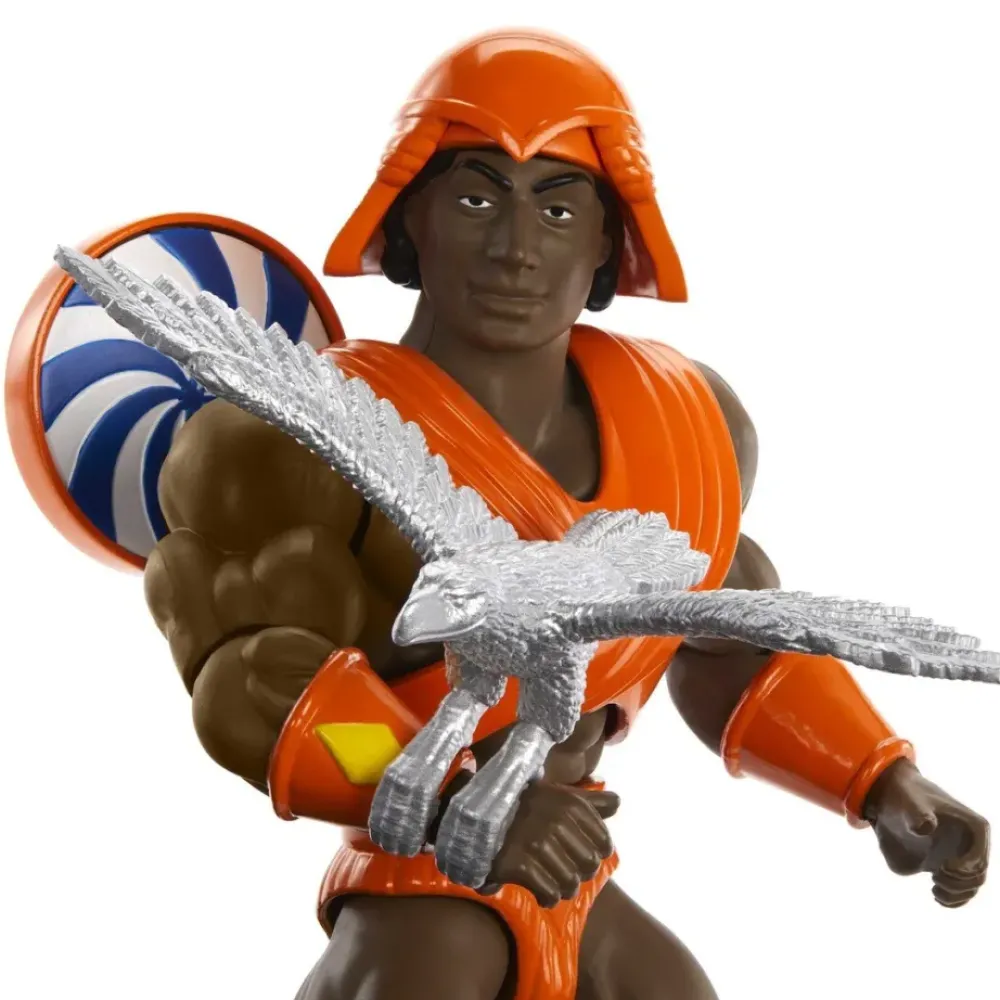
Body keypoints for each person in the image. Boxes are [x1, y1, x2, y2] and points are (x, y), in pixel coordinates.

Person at [141, 30, 989, 1000]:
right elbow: (260, 685)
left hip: (575, 872)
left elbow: (731, 635)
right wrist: (452, 799)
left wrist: (880, 782)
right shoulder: (298, 433)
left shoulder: (685, 424)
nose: (515, 248)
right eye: (476, 199)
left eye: (556, 207)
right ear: (410, 217)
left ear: (605, 243)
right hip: (422, 878)